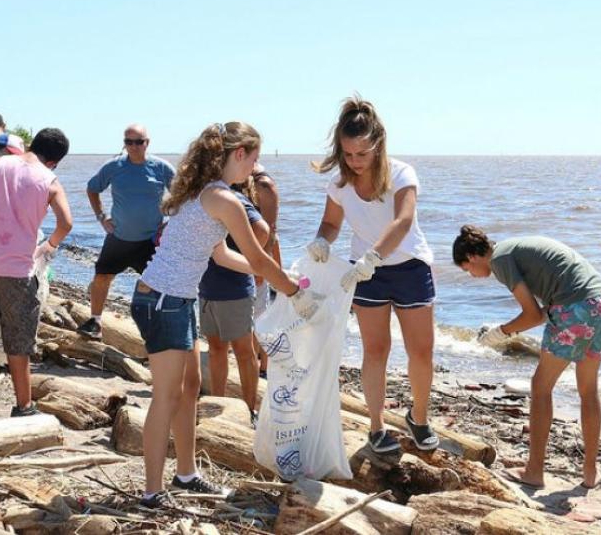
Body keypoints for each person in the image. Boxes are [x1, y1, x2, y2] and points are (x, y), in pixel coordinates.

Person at [131, 122, 323, 505]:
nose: (254, 168)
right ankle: (152, 493)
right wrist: (291, 291)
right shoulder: (224, 200)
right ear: (239, 154)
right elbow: (257, 256)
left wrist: (284, 278)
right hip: (163, 301)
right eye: (253, 159)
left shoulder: (206, 194)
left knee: (188, 393)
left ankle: (185, 475)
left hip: (176, 299)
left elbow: (224, 256)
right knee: (166, 397)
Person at [307, 96, 439, 454]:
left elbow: (403, 221)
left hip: (409, 266)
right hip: (365, 274)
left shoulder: (401, 174)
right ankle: (377, 425)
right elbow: (331, 222)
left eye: (361, 154)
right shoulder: (339, 184)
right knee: (376, 349)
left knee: (421, 352)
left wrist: (374, 255)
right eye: (348, 154)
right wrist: (322, 240)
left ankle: (420, 418)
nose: (354, 162)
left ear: (378, 145)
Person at [452, 225, 601, 489]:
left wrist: (500, 333)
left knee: (540, 387)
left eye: (466, 269)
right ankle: (590, 473)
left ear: (471, 257)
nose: (471, 275)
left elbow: (533, 315)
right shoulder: (513, 247)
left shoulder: (500, 260)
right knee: (588, 388)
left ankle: (534, 472)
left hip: (575, 307)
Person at [0, 128, 72, 421]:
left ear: (31, 145)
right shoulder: (49, 180)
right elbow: (66, 222)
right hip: (19, 270)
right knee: (18, 343)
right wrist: (48, 245)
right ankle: (23, 406)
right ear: (55, 161)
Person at [77, 125, 175, 341]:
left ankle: (160, 329)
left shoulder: (161, 167)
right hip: (118, 238)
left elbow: (182, 195)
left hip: (149, 240)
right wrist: (101, 217)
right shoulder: (114, 167)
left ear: (147, 143)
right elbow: (92, 188)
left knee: (157, 284)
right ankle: (95, 321)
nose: (133, 146)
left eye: (138, 142)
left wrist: (170, 223)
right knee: (102, 277)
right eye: (128, 142)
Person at [198, 187, 269, 426]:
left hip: (235, 288)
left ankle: (250, 410)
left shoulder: (233, 198)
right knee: (217, 348)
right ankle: (219, 403)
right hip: (206, 287)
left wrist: (248, 257)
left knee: (244, 351)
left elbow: (262, 229)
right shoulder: (202, 196)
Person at [248, 164, 282, 377]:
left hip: (259, 258)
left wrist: (267, 270)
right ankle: (257, 364)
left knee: (260, 317)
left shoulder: (262, 184)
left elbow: (272, 233)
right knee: (256, 316)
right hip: (245, 256)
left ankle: (262, 368)